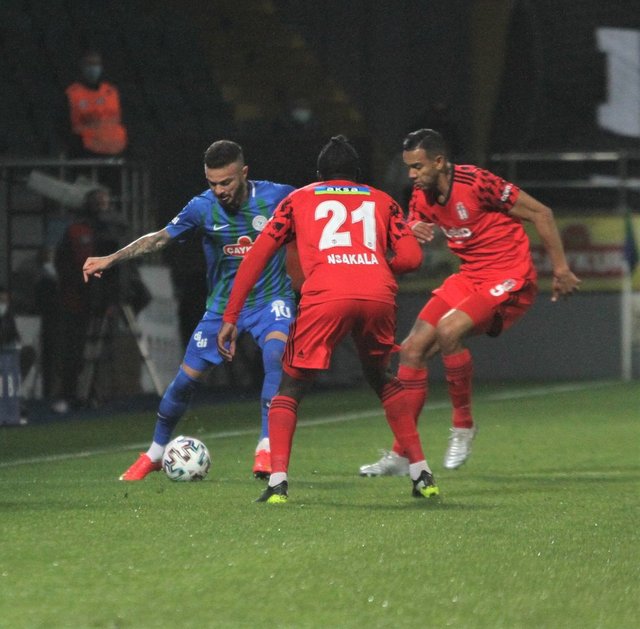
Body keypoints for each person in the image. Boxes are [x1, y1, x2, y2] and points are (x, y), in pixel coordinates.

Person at [217, 135, 439, 504]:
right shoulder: (382, 200)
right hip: (377, 294)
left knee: (291, 386)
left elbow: (256, 257)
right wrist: (376, 267)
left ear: (320, 175)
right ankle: (421, 472)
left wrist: (231, 315)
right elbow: (413, 258)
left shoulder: (298, 199)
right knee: (382, 377)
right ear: (357, 174)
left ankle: (277, 483)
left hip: (326, 296)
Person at [359, 128, 581, 476]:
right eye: (409, 168)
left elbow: (542, 213)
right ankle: (402, 454)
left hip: (509, 275)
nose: (412, 175)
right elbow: (411, 227)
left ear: (439, 161)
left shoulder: (477, 182)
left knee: (449, 330)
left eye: (417, 167)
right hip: (470, 277)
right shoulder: (421, 195)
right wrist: (408, 229)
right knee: (412, 348)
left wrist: (561, 269)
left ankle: (463, 426)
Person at [82, 140, 296, 481]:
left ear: (244, 173)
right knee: (184, 382)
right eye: (213, 183)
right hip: (222, 307)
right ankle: (155, 453)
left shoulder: (279, 196)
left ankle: (266, 446)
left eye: (226, 182)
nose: (219, 190)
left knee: (276, 355)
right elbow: (159, 238)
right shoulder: (201, 207)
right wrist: (111, 259)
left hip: (271, 300)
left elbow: (317, 212)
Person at [65, 50, 128, 158]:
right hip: (87, 150)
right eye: (89, 64)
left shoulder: (112, 92)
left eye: (96, 64)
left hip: (116, 149)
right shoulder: (72, 94)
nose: (93, 68)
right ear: (82, 67)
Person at [0, 286, 36, 425]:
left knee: (27, 354)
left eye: (5, 299)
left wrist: (16, 343)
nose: (4, 302)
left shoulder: (8, 315)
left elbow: (14, 334)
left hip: (8, 353)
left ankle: (12, 408)